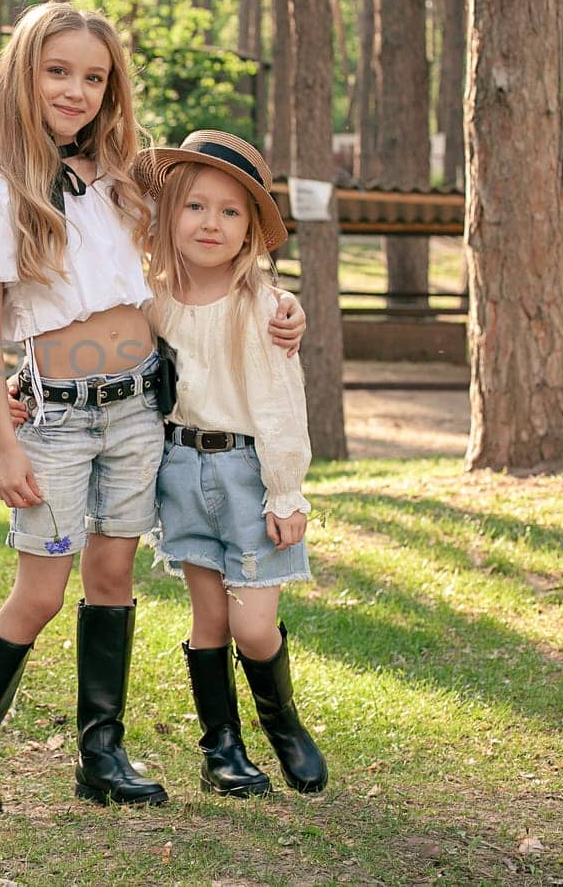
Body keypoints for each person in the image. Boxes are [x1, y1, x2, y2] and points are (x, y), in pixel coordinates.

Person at [0, 2, 304, 815]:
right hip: (56, 419)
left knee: (114, 575)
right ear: (24, 75)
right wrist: (4, 446)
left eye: (94, 77)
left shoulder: (124, 184)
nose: (76, 90)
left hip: (137, 413)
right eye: (58, 71)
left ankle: (102, 753)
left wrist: (280, 303)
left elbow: (205, 260)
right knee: (42, 590)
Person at [136, 129, 328, 798]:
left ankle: (284, 726)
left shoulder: (264, 306)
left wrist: (287, 490)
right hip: (180, 474)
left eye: (229, 210)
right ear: (169, 216)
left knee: (252, 624)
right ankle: (221, 748)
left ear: (249, 228)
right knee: (209, 619)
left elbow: (279, 404)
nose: (209, 222)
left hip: (247, 475)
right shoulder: (149, 298)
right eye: (194, 206)